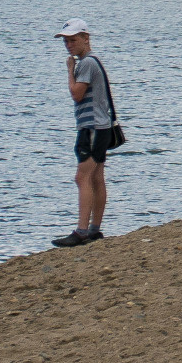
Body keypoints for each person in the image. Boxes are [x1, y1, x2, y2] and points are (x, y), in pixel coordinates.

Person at [53, 19, 120, 249]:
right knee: (96, 177)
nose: (68, 45)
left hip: (91, 127)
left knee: (82, 177)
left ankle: (82, 231)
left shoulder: (86, 64)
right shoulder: (93, 62)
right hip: (100, 127)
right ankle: (93, 229)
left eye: (73, 40)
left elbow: (77, 94)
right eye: (66, 41)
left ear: (85, 38)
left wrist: (70, 71)